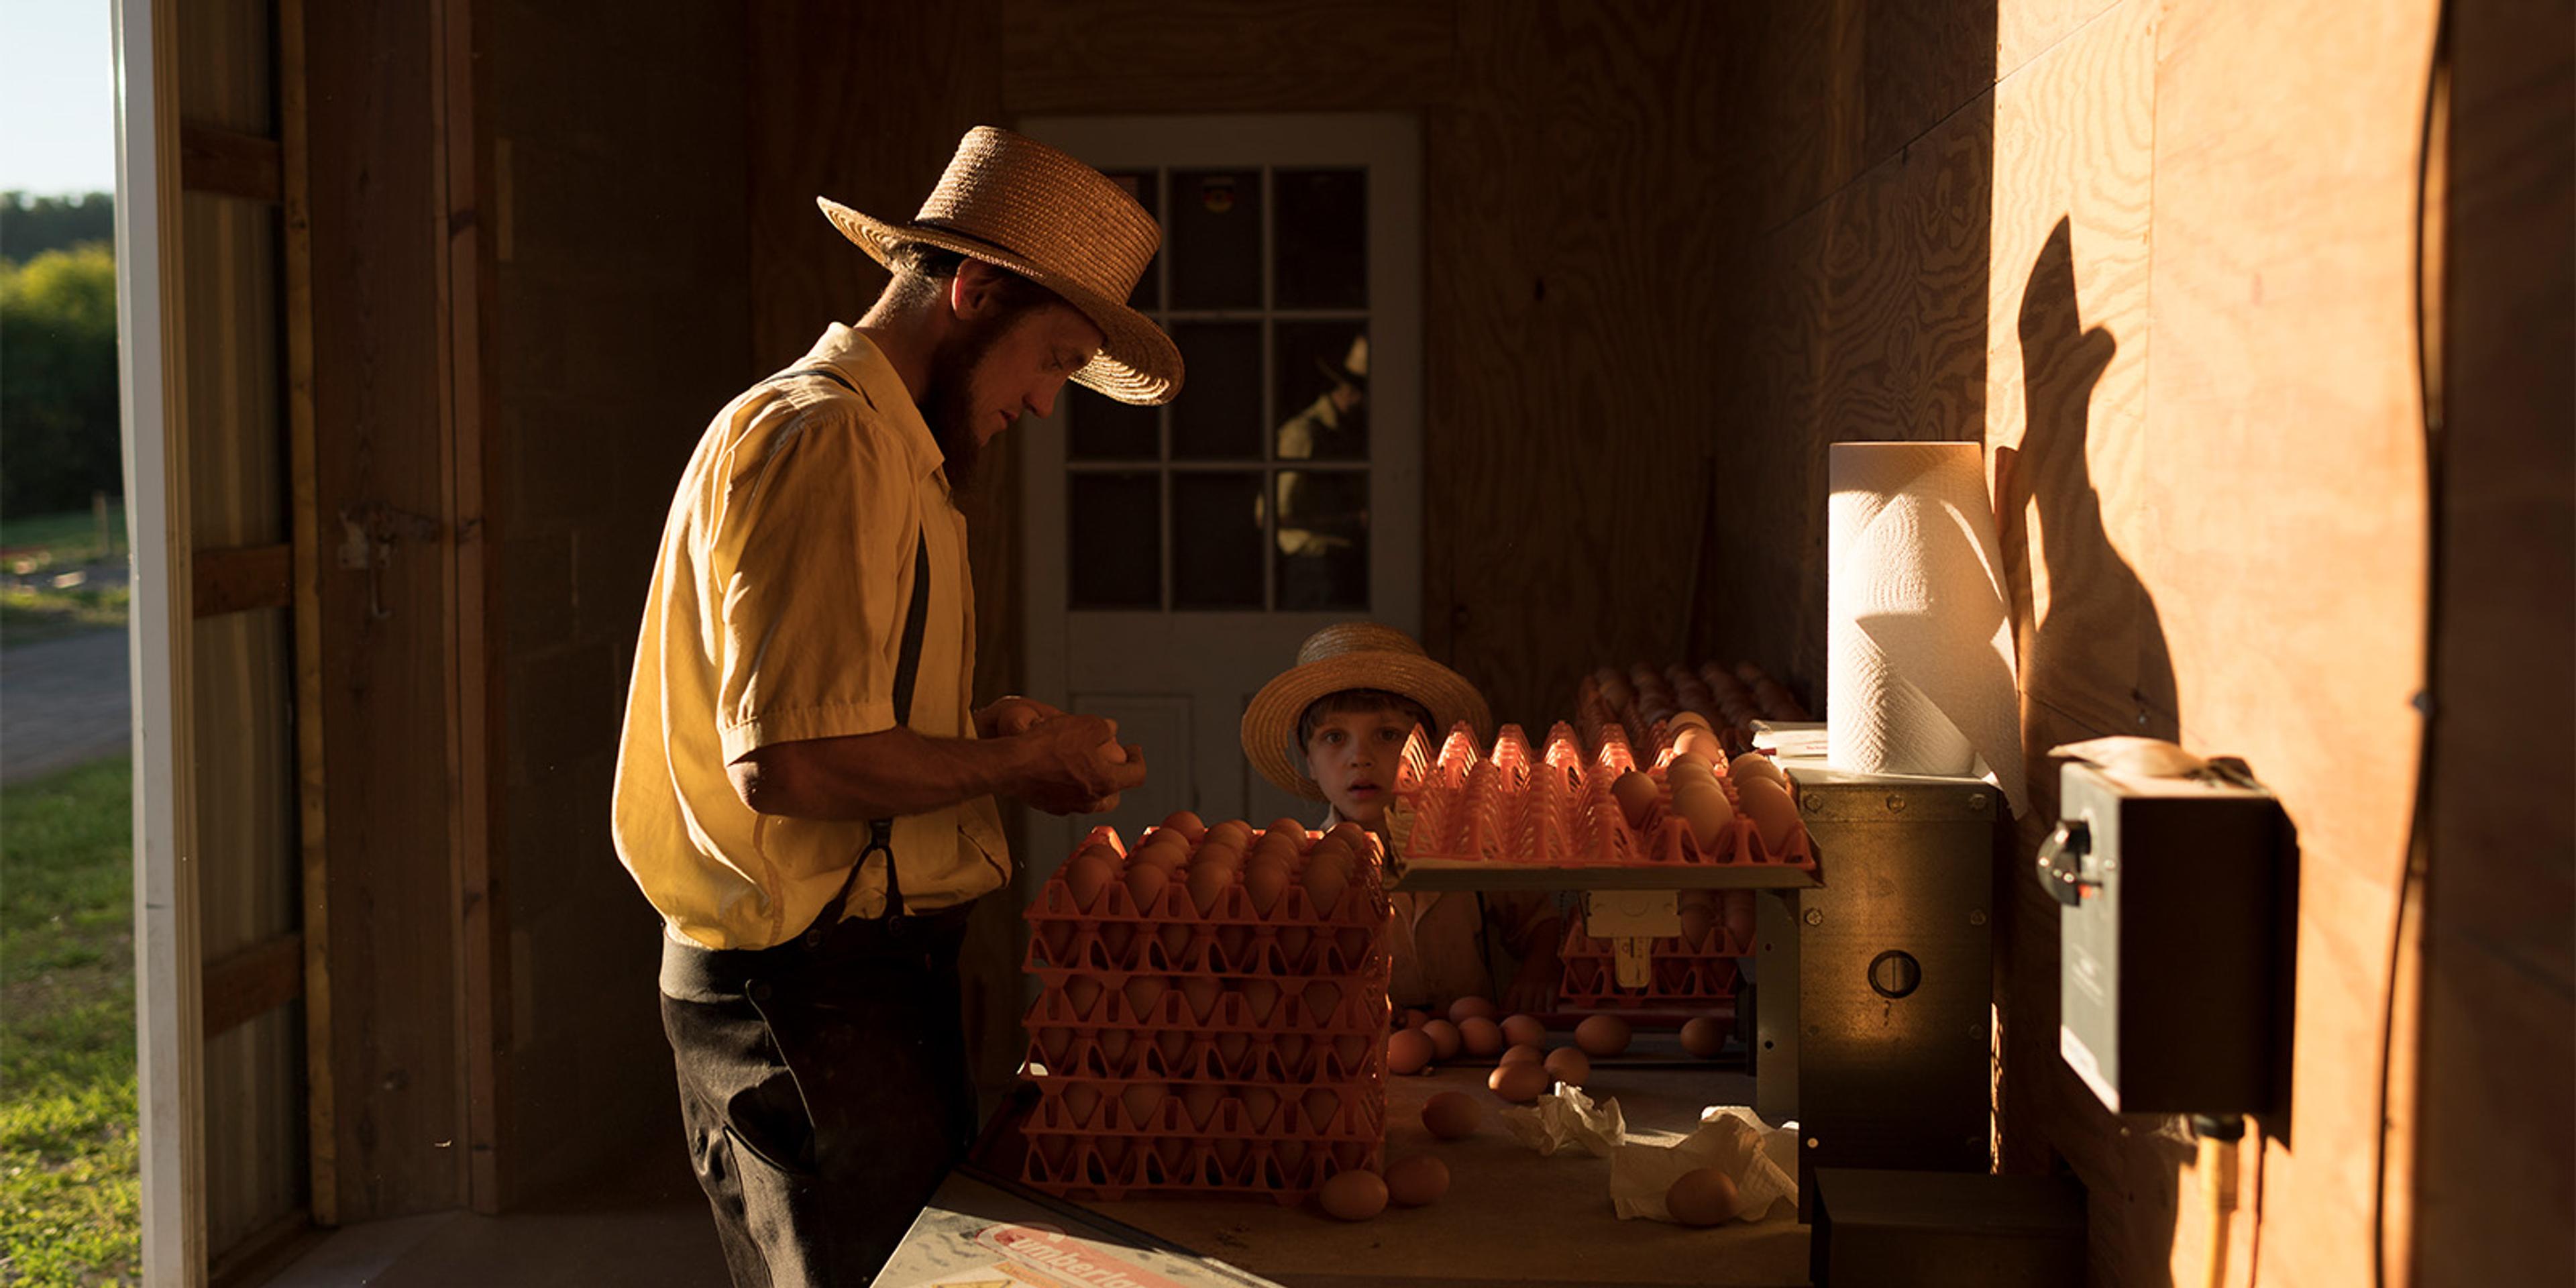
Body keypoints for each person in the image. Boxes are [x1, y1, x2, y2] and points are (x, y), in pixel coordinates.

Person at [611, 126, 1177, 1287]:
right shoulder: (830, 442)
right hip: (804, 990)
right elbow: (794, 767)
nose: (1045, 405)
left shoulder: (889, 451)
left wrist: (980, 739)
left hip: (857, 983)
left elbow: (828, 722)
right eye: (1053, 360)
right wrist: (1018, 772)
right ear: (972, 290)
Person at [1238, 623, 1564, 1016]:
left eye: (1388, 735)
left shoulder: (1472, 843)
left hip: (1475, 1058)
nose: (1361, 757)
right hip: (1363, 1062)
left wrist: (1538, 970)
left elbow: (1539, 922)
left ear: (1427, 755)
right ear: (1308, 761)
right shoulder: (1301, 869)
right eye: (1334, 737)